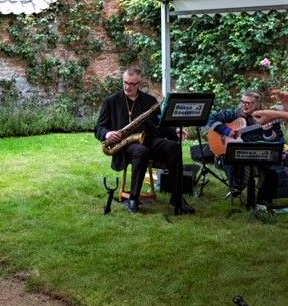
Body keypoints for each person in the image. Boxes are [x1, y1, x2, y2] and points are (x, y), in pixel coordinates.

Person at [95, 68, 194, 214]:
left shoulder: (150, 101)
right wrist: (108, 134)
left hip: (149, 139)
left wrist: (175, 132)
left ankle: (177, 197)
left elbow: (159, 127)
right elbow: (99, 128)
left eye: (132, 84)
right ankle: (133, 199)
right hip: (126, 144)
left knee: (174, 147)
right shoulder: (111, 101)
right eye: (125, 83)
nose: (128, 87)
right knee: (141, 151)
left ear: (139, 84)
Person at [207, 91, 284, 201]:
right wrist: (225, 130)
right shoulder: (236, 113)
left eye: (248, 103)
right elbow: (211, 117)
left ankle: (262, 200)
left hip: (258, 153)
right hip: (237, 153)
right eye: (242, 102)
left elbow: (278, 141)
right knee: (233, 158)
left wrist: (267, 132)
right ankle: (236, 187)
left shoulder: (269, 117)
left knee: (273, 171)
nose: (244, 105)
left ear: (257, 104)